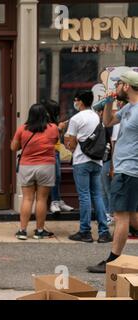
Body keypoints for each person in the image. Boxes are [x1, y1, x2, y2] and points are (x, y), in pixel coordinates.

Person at [88, 70, 138, 273]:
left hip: (129, 169)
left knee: (121, 216)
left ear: (126, 86)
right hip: (126, 168)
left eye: (118, 84)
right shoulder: (128, 109)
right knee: (132, 214)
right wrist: (108, 103)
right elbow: (107, 122)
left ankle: (113, 260)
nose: (115, 88)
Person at [64, 90, 112, 243]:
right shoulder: (96, 117)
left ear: (80, 101)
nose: (75, 103)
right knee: (97, 195)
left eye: (76, 100)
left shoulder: (76, 118)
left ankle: (85, 231)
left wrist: (73, 143)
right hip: (97, 161)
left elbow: (70, 143)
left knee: (84, 196)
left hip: (81, 161)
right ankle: (104, 232)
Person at [11, 103, 59, 240]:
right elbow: (56, 142)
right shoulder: (53, 128)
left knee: (27, 198)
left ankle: (22, 230)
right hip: (46, 166)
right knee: (42, 199)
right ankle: (39, 231)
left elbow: (13, 147)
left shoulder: (22, 129)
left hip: (27, 166)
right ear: (46, 115)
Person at [41, 99, 74, 216]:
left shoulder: (52, 122)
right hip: (50, 152)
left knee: (58, 177)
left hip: (56, 151)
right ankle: (54, 202)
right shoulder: (44, 123)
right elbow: (47, 137)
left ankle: (58, 200)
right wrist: (59, 129)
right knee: (55, 177)